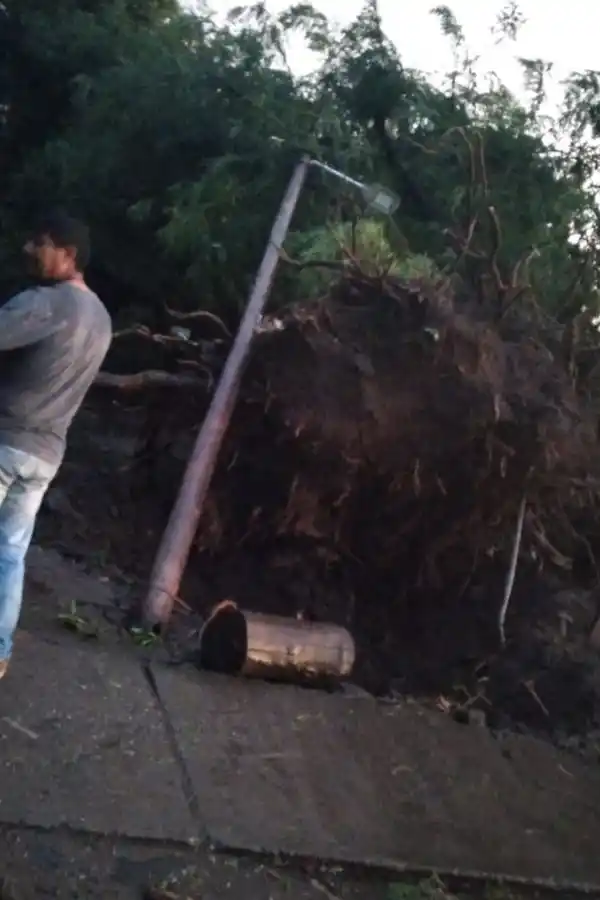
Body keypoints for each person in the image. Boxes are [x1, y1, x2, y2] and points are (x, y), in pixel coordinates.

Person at [0, 211, 112, 677]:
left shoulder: (46, 303)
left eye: (39, 243)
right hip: (46, 456)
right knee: (9, 553)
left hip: (5, 442)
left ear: (68, 254)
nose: (30, 249)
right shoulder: (102, 319)